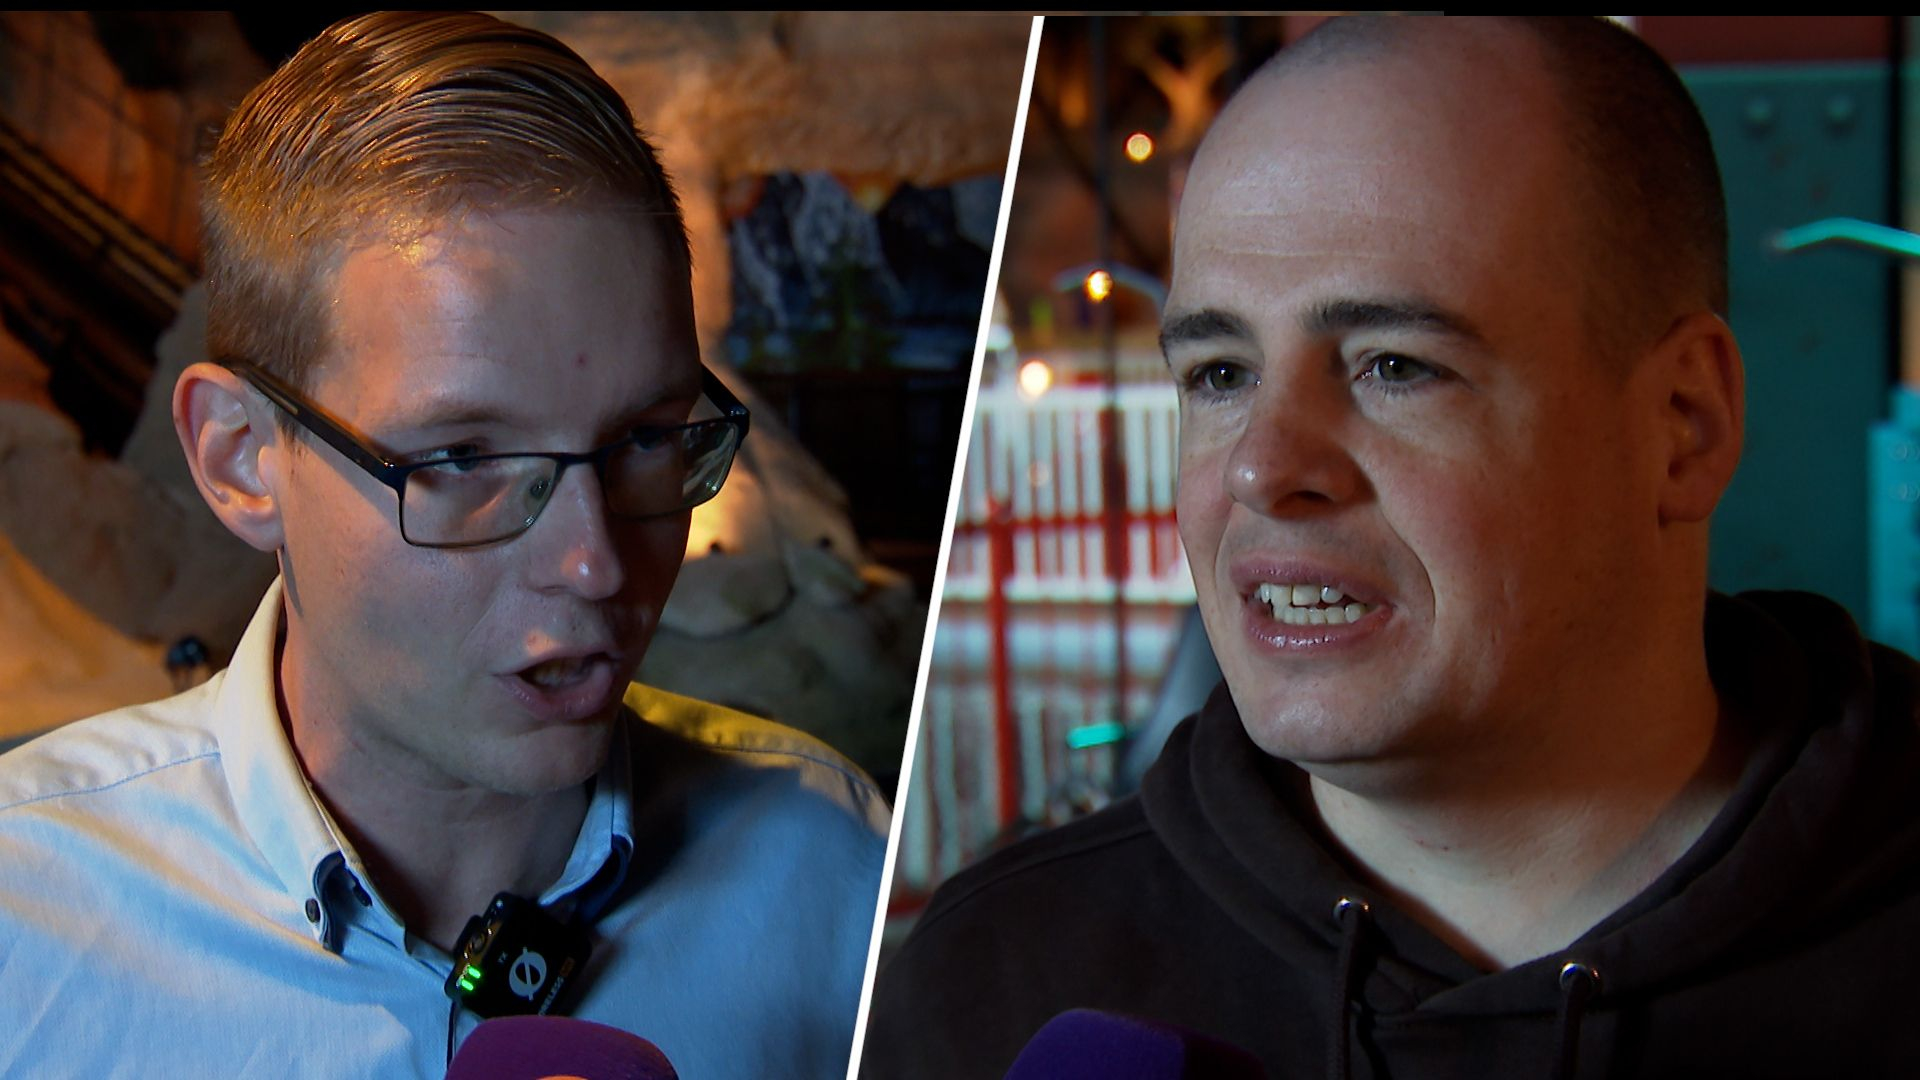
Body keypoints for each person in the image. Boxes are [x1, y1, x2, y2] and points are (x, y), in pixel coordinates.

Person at [861, 15, 1920, 1079]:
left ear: (1681, 424)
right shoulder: (996, 984)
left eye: (1394, 366)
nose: (1260, 467)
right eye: (1221, 374)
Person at [0, 13, 887, 1078]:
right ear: (240, 457)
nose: (595, 564)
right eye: (463, 457)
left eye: (648, 439)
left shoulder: (838, 870)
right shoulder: (26, 909)